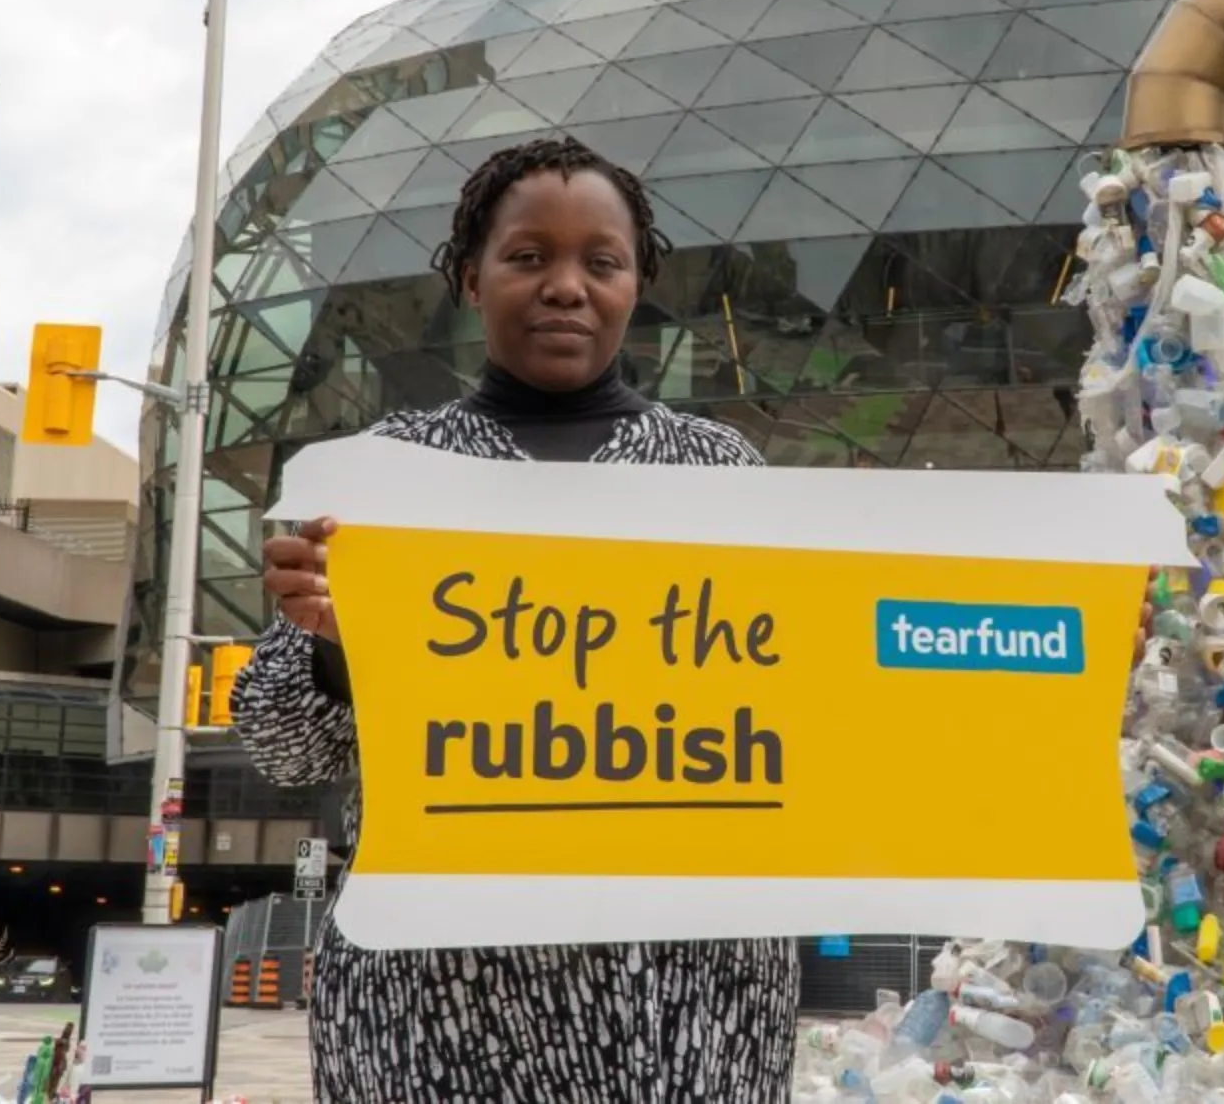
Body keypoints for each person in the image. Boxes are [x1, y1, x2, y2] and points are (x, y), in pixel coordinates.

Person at [230, 135, 799, 1103]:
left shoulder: (721, 474)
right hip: (439, 1009)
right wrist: (337, 653)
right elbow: (280, 746)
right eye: (528, 257)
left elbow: (814, 702)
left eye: (601, 262)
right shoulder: (380, 482)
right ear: (469, 276)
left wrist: (1051, 652)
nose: (565, 286)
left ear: (638, 282)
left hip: (687, 1005)